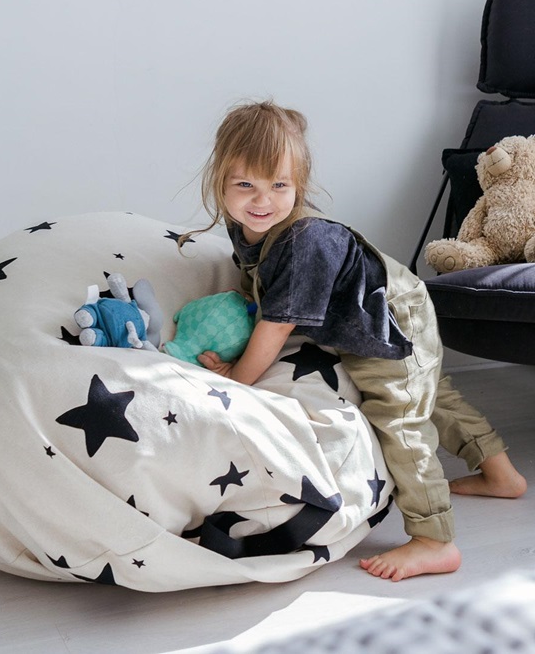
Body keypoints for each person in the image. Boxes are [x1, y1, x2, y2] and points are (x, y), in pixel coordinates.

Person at [183, 100, 527, 582]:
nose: (262, 201)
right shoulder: (248, 228)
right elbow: (262, 287)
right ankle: (502, 476)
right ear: (221, 183)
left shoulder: (304, 241)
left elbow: (275, 325)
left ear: (299, 182)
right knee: (433, 395)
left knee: (401, 417)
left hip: (392, 319)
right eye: (245, 185)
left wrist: (237, 380)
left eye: (279, 185)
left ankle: (435, 539)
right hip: (379, 308)